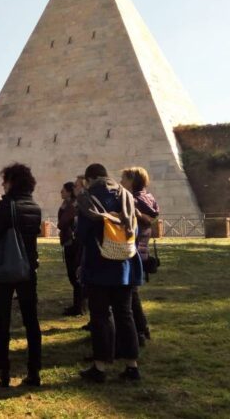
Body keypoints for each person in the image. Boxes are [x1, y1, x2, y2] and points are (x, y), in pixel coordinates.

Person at [76, 163, 144, 383]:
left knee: (101, 316)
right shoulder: (125, 194)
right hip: (124, 264)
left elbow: (82, 234)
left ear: (90, 179)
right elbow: (135, 229)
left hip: (99, 265)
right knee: (125, 314)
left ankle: (101, 367)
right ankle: (132, 366)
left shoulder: (87, 198)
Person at [0, 163, 43, 388]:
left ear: (12, 182)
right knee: (31, 320)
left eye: (5, 180)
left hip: (6, 268)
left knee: (2, 321)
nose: (2, 184)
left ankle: (4, 372)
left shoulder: (6, 205)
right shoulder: (35, 207)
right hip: (28, 269)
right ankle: (34, 371)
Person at [121, 166, 160, 346]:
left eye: (124, 179)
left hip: (133, 250)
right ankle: (141, 329)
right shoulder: (149, 198)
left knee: (130, 295)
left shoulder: (134, 200)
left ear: (132, 180)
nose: (121, 182)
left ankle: (139, 332)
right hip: (142, 251)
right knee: (132, 293)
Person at [58, 181, 84, 316]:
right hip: (69, 241)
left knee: (75, 274)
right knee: (72, 274)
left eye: (63, 190)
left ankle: (79, 306)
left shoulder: (73, 205)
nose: (61, 192)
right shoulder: (66, 205)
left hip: (74, 242)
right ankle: (79, 304)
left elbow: (62, 223)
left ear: (69, 191)